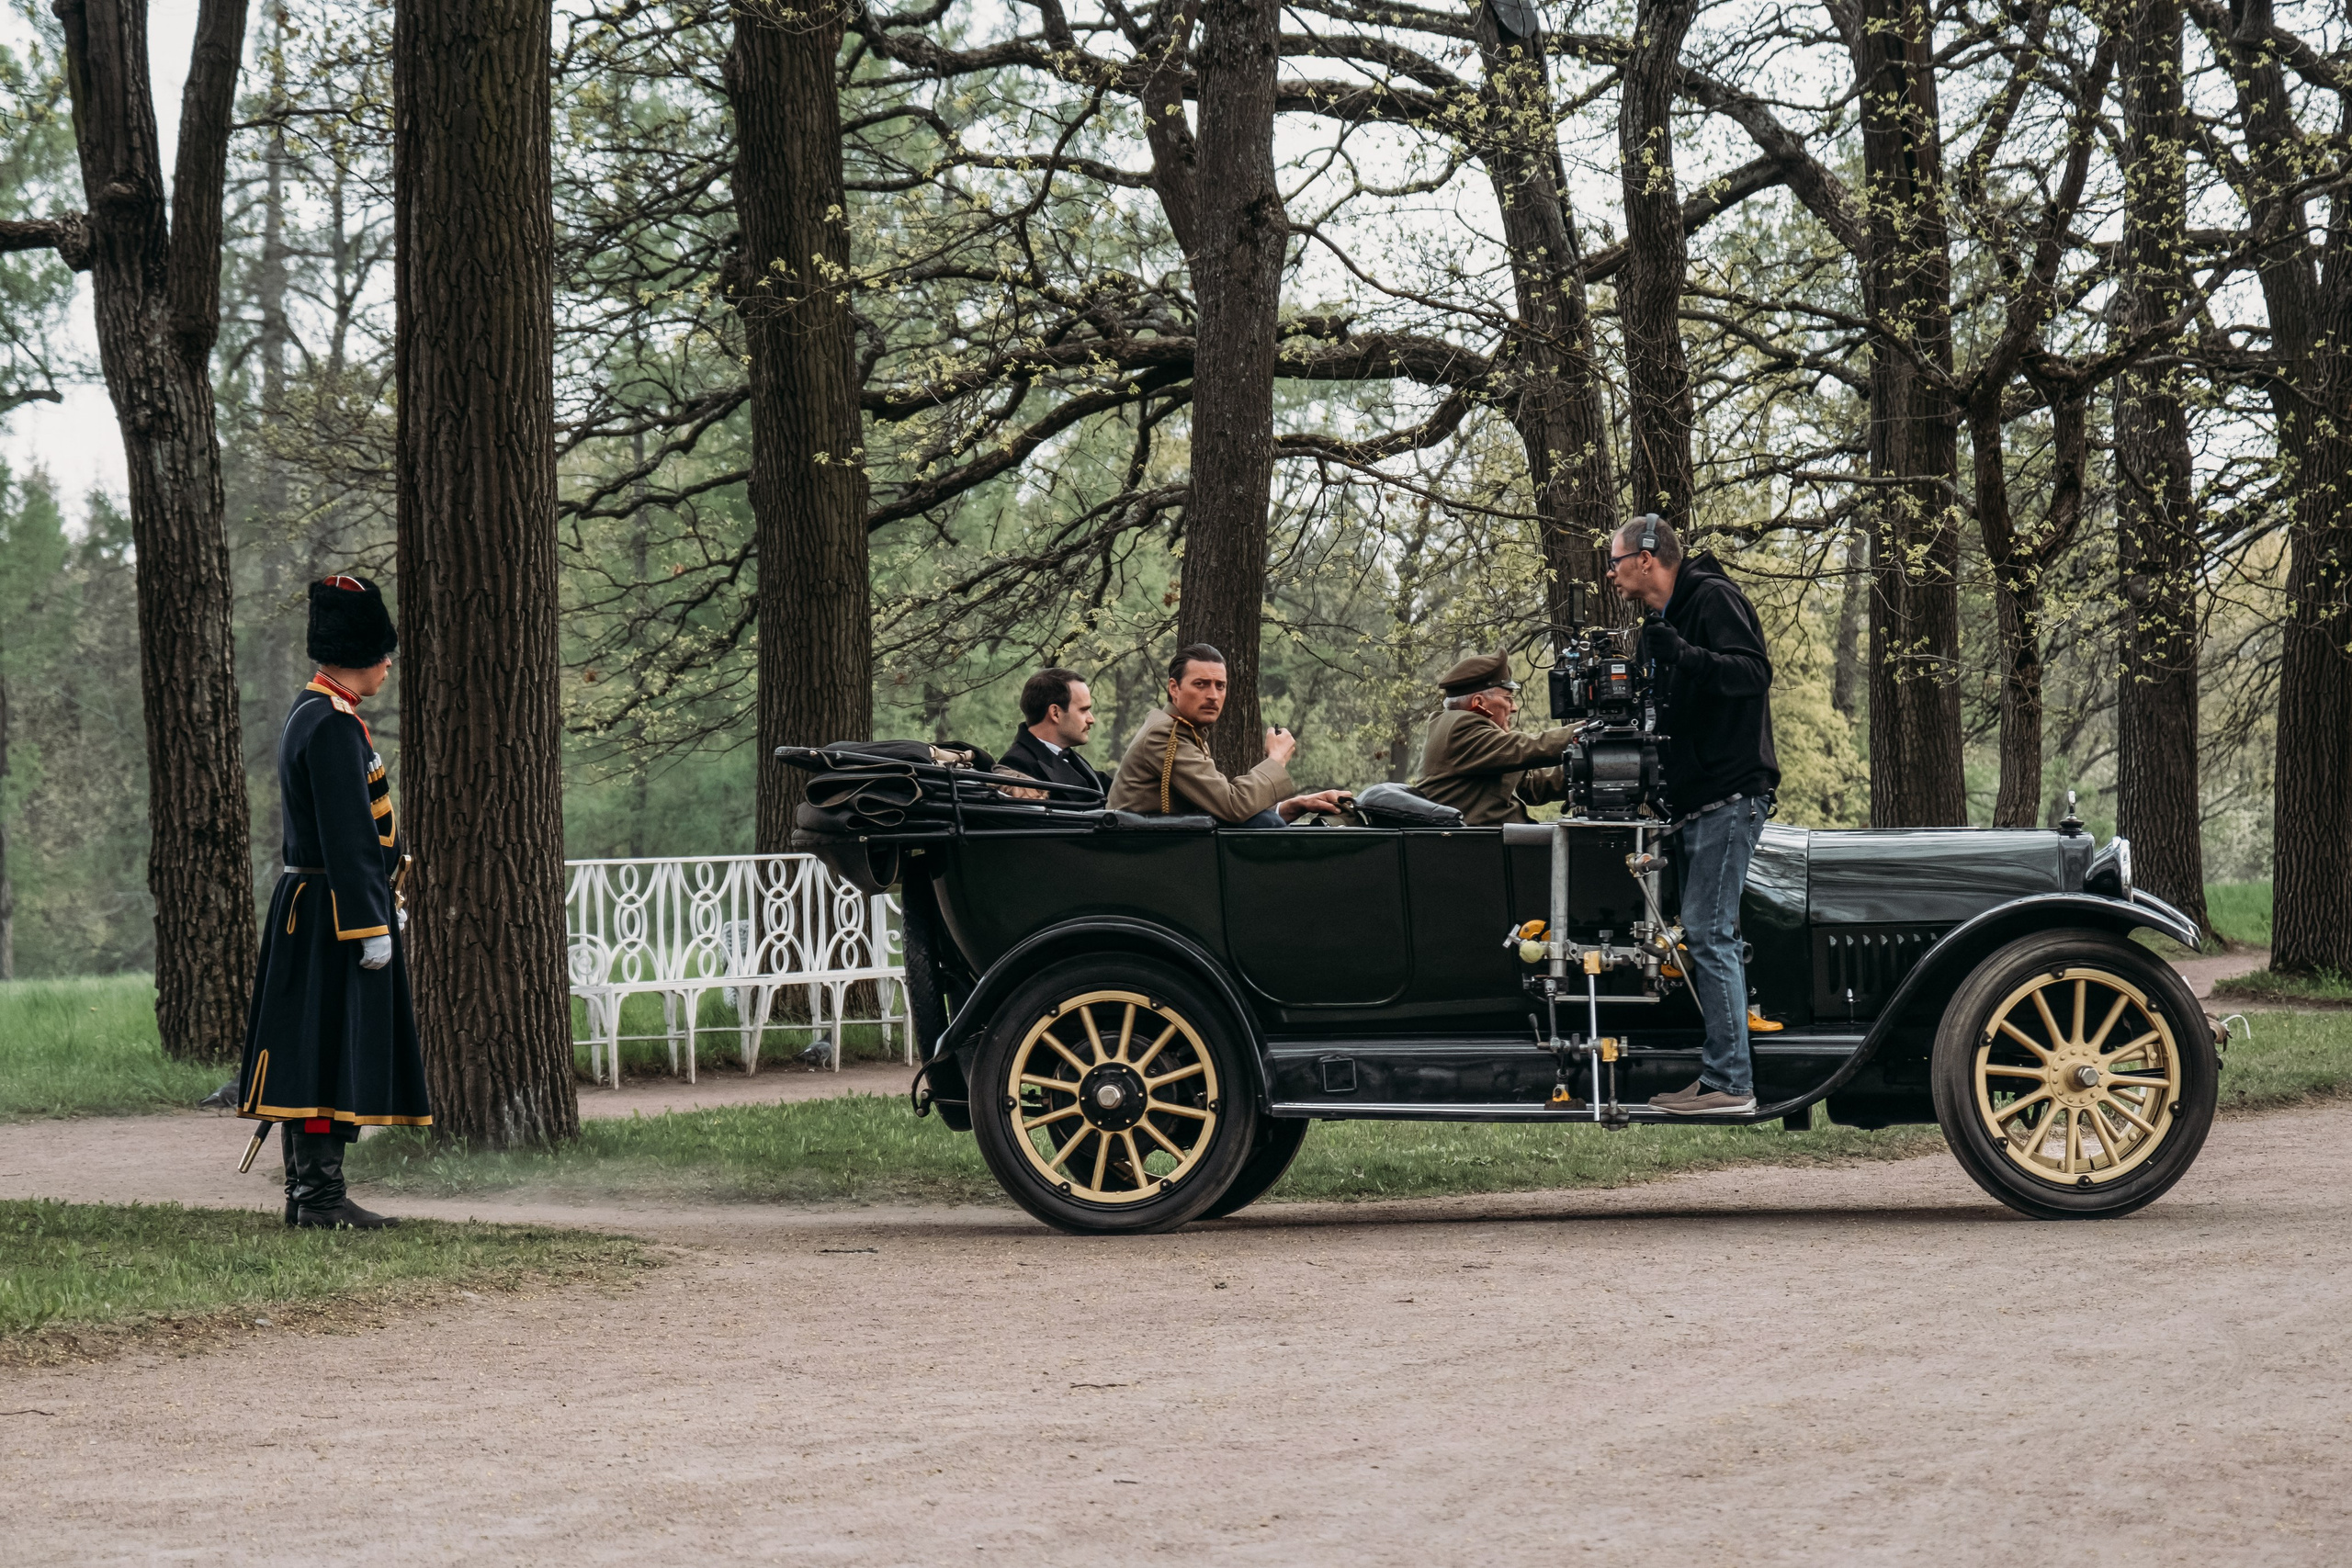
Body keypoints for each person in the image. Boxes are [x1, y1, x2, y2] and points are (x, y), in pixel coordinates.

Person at [234, 574, 431, 1226]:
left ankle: (312, 1194)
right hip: (331, 910)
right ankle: (317, 1198)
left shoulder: (319, 711)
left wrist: (385, 895)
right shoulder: (330, 724)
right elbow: (348, 836)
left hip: (323, 905)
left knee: (317, 1051)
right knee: (323, 1054)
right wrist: (371, 921)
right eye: (382, 652)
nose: (388, 663)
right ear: (360, 653)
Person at [1607, 515, 1780, 1117]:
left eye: (1616, 560)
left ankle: (1731, 1082)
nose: (1611, 572)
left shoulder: (1712, 596)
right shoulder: (1666, 619)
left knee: (1710, 931)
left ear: (1647, 557)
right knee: (1702, 931)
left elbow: (1755, 673)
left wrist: (1688, 656)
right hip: (1698, 801)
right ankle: (1717, 1076)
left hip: (1730, 795)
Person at [1106, 643, 1349, 825]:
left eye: (1219, 686)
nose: (1213, 695)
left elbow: (1217, 811)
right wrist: (1276, 760)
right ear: (1174, 688)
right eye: (1200, 684)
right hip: (1145, 859)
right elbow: (1232, 806)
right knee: (1266, 825)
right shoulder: (1164, 736)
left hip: (1164, 852)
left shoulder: (1185, 732)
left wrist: (1294, 806)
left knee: (1267, 821)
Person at [1409, 653, 1579, 825]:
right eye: (1508, 698)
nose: (1514, 707)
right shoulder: (1460, 729)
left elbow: (1532, 786)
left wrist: (1589, 770)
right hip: (1476, 847)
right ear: (1478, 703)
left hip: (1489, 842)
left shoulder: (1481, 741)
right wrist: (1588, 729)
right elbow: (1528, 747)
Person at [1001, 667, 1113, 796]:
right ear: (1055, 713)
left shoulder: (1071, 758)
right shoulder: (1017, 766)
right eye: (1083, 710)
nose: (1091, 719)